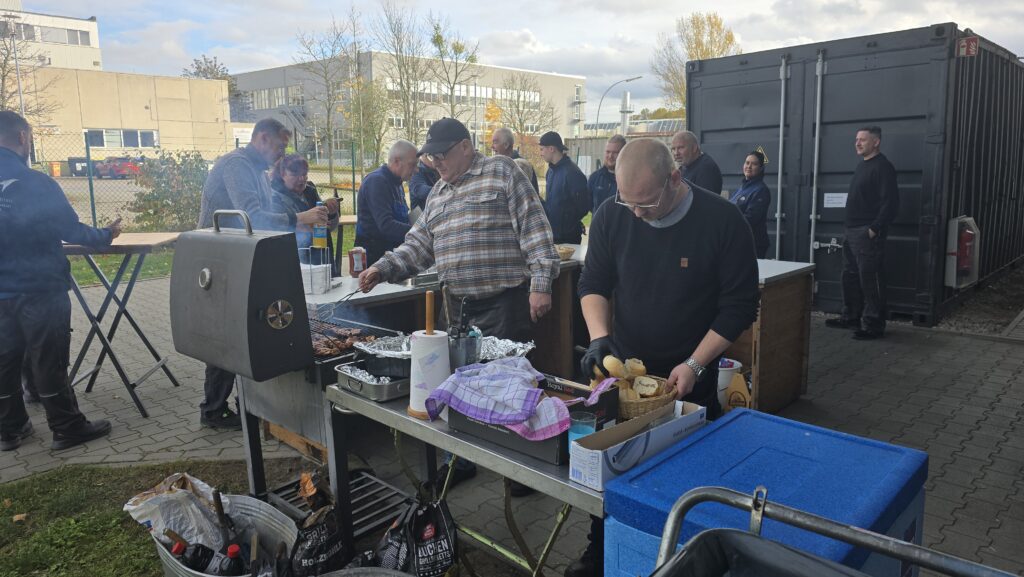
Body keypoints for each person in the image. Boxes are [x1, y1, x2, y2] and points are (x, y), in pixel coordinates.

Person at [568, 138, 760, 577]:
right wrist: (600, 339)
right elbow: (593, 281)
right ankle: (600, 552)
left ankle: (688, 557)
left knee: (690, 476)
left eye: (647, 203)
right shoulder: (613, 214)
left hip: (694, 371)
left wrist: (694, 364)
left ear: (675, 178)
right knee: (614, 469)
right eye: (627, 202)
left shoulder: (723, 220)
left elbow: (739, 306)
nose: (635, 213)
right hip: (628, 375)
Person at [358, 118, 559, 492]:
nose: (435, 162)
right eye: (430, 156)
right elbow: (418, 246)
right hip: (459, 308)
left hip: (505, 302)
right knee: (461, 386)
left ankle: (520, 470)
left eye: (441, 154)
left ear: (466, 146)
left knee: (510, 388)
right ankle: (461, 461)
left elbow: (535, 228)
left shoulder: (502, 172)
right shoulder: (438, 194)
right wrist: (383, 268)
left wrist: (541, 283)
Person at [0, 110, 120, 452]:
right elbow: (71, 231)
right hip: (40, 288)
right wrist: (106, 234)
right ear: (22, 137)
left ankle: (10, 429)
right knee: (47, 358)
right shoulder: (37, 183)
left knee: (4, 360)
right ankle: (67, 427)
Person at [197, 118, 327, 430]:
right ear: (263, 138)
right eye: (280, 146)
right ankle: (213, 410)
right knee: (227, 334)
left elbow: (265, 219)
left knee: (249, 329)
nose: (282, 153)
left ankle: (248, 403)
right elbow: (252, 216)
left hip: (240, 256)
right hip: (220, 259)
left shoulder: (257, 171)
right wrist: (299, 217)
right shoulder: (236, 165)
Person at [825, 126, 900, 340]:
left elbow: (891, 203)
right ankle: (851, 317)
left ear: (876, 142)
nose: (857, 143)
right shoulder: (862, 166)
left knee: (870, 278)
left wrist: (874, 229)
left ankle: (873, 324)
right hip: (851, 231)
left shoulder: (883, 167)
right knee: (849, 276)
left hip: (866, 233)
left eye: (863, 140)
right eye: (856, 139)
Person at [270, 154, 341, 275]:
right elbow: (278, 229)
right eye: (295, 175)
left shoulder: (310, 191)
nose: (302, 179)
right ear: (282, 174)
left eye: (304, 174)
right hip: (294, 261)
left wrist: (332, 214)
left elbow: (329, 228)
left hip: (321, 256)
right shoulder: (273, 196)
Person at [354, 140, 418, 265]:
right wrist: (419, 231)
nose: (417, 170)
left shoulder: (397, 184)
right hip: (373, 260)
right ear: (397, 161)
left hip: (390, 256)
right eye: (412, 165)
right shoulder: (377, 182)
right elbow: (386, 225)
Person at [539, 131, 590, 244]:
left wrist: (566, 225)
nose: (540, 153)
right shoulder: (550, 172)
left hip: (568, 238)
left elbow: (583, 207)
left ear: (552, 149)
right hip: (552, 235)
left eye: (542, 149)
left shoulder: (573, 173)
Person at [730, 150, 772, 258]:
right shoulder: (741, 188)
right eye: (747, 162)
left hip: (752, 245)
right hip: (738, 243)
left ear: (761, 168)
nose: (749, 166)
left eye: (754, 164)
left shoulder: (761, 190)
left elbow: (750, 219)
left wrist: (727, 224)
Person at [671, 130, 723, 195]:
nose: (676, 153)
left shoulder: (706, 168)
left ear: (694, 148)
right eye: (673, 149)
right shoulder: (685, 166)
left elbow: (705, 201)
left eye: (681, 148)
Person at [492, 126, 538, 192]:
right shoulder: (500, 165)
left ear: (506, 145)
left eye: (495, 142)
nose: (492, 147)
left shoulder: (522, 166)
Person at [587, 134, 626, 211]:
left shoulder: (631, 180)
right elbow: (588, 205)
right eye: (608, 152)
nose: (610, 156)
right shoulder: (595, 178)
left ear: (624, 153)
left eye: (615, 153)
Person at [408, 154, 439, 223]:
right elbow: (420, 190)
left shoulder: (436, 170)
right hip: (421, 220)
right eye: (432, 157)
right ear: (423, 156)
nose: (436, 161)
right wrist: (444, 190)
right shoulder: (417, 171)